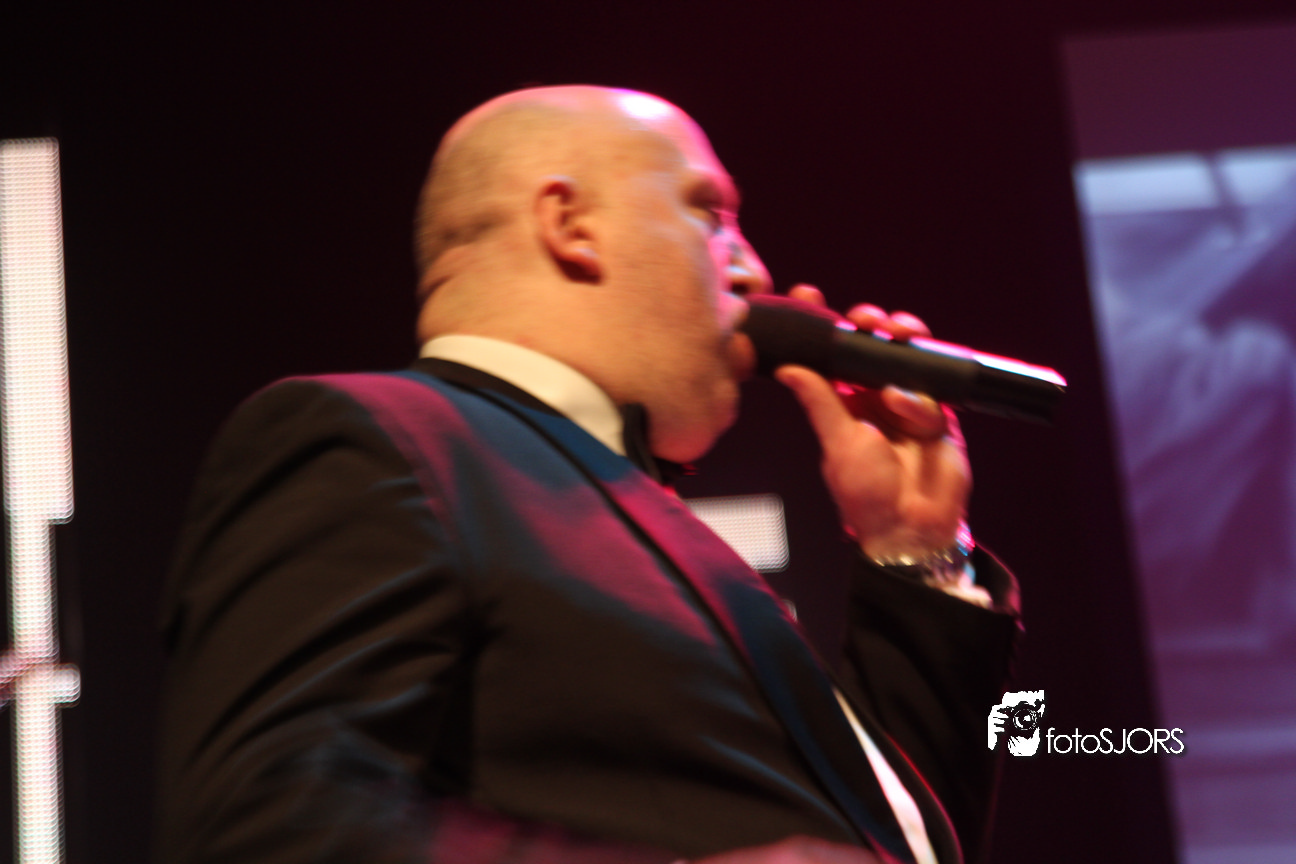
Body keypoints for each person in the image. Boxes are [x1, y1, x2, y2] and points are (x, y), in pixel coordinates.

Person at [155, 86, 1021, 864]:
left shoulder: (616, 492)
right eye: (710, 214)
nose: (754, 268)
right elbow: (265, 828)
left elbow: (896, 838)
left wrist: (917, 549)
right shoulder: (374, 438)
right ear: (570, 224)